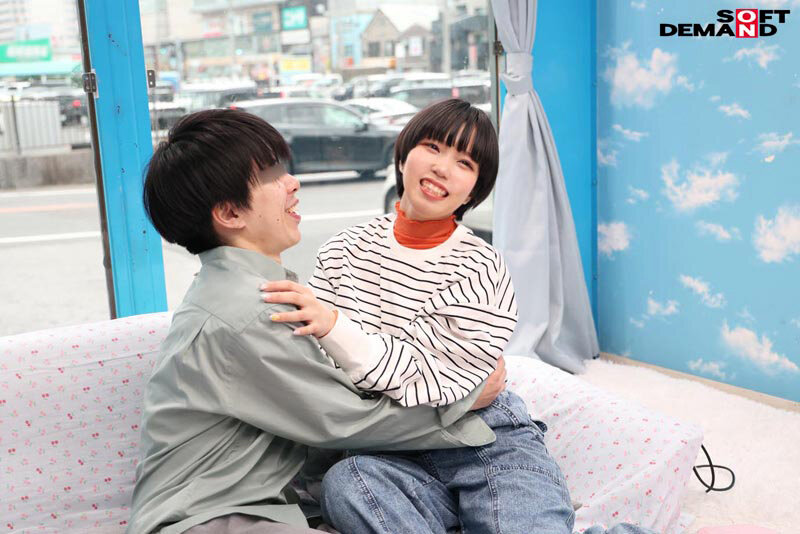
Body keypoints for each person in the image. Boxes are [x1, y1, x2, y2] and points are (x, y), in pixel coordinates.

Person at [263, 99, 655, 534]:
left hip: (486, 439)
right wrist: (340, 343)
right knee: (347, 485)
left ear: (474, 191)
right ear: (403, 156)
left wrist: (338, 329)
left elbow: (435, 384)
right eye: (432, 148)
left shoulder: (481, 267)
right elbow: (325, 374)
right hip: (385, 450)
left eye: (464, 163)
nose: (442, 168)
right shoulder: (343, 250)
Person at [128, 108, 507, 534]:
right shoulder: (250, 309)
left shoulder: (243, 290)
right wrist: (465, 403)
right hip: (206, 521)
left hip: (242, 512)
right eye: (272, 175)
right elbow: (343, 419)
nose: (293, 183)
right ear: (231, 214)